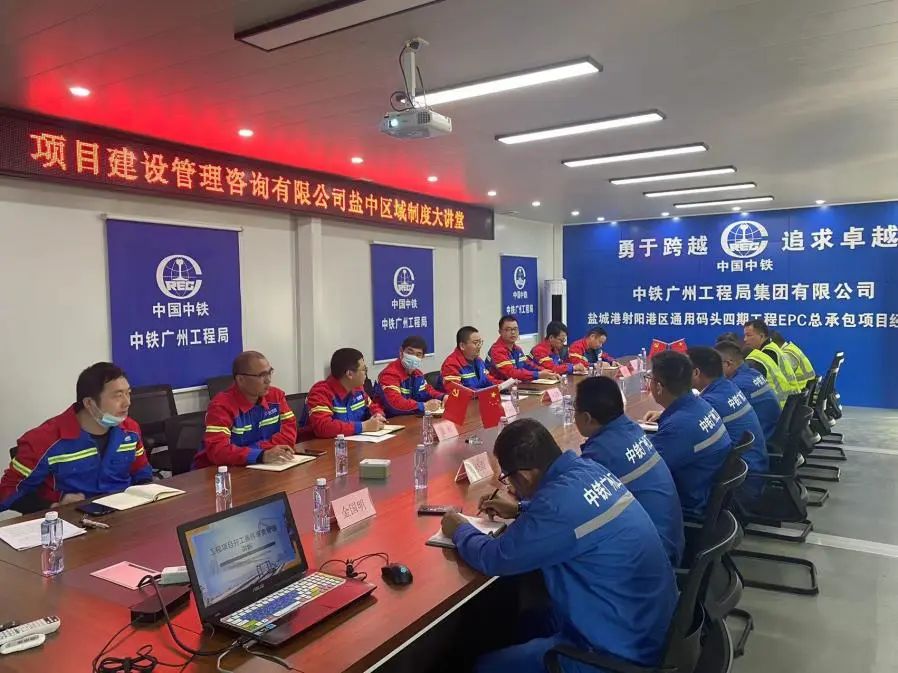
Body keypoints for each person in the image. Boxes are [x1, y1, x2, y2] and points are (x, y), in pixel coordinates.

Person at [440, 418, 677, 673]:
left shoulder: (555, 506)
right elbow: (573, 513)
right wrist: (521, 508)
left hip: (616, 654)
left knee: (484, 667)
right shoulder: (589, 470)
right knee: (530, 619)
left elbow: (495, 557)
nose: (509, 485)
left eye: (507, 479)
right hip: (654, 627)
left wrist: (460, 529)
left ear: (524, 476)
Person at [0, 362, 152, 513]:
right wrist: (53, 506)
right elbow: (7, 492)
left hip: (124, 516)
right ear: (89, 403)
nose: (127, 402)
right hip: (72, 520)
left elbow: (141, 472)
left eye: (128, 393)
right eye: (118, 396)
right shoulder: (44, 440)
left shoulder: (131, 430)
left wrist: (147, 492)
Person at [574, 376, 684, 567]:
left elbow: (573, 509)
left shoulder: (601, 454)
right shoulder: (632, 429)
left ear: (586, 418)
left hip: (652, 559)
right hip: (668, 538)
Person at [642, 351, 731, 517]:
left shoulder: (679, 427)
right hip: (703, 488)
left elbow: (645, 470)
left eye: (650, 379)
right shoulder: (700, 405)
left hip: (687, 503)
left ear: (659, 387)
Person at [194, 351, 298, 468]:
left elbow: (289, 435)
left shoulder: (276, 397)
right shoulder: (221, 406)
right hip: (217, 471)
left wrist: (259, 452)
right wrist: (260, 454)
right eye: (261, 375)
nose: (268, 380)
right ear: (240, 379)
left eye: (269, 373)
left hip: (261, 466)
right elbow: (218, 451)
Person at [687, 347, 769, 476]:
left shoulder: (711, 402)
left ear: (696, 372)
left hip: (745, 475)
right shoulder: (729, 386)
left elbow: (687, 439)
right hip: (753, 464)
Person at [305, 348, 385, 438]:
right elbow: (324, 427)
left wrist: (378, 415)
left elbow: (372, 406)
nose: (365, 374)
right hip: (323, 444)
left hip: (354, 442)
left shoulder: (358, 388)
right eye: (364, 369)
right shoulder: (320, 392)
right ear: (349, 374)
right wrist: (364, 426)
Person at [714, 340, 781, 437]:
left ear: (728, 364)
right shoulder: (754, 373)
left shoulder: (737, 385)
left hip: (764, 435)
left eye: (716, 365)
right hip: (773, 429)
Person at [375, 335, 444, 417]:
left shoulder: (418, 374)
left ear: (422, 357)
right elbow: (395, 405)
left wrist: (443, 397)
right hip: (390, 419)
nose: (413, 357)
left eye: (418, 354)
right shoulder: (389, 374)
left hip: (410, 417)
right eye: (410, 353)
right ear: (401, 351)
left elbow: (428, 391)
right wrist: (424, 406)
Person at [487, 315, 558, 382]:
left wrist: (547, 372)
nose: (513, 332)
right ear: (500, 332)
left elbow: (528, 365)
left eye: (515, 329)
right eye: (508, 329)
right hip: (499, 388)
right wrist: (538, 375)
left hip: (515, 386)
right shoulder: (497, 350)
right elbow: (511, 373)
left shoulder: (517, 349)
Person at [743, 319, 801, 393]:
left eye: (748, 335)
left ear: (761, 336)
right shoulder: (771, 346)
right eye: (745, 335)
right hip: (789, 394)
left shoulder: (768, 353)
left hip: (787, 396)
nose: (745, 339)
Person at [440, 326, 500, 393]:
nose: (479, 346)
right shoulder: (451, 364)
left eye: (480, 342)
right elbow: (458, 392)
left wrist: (502, 385)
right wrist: (484, 392)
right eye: (475, 343)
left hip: (478, 397)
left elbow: (488, 380)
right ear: (462, 346)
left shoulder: (478, 361)